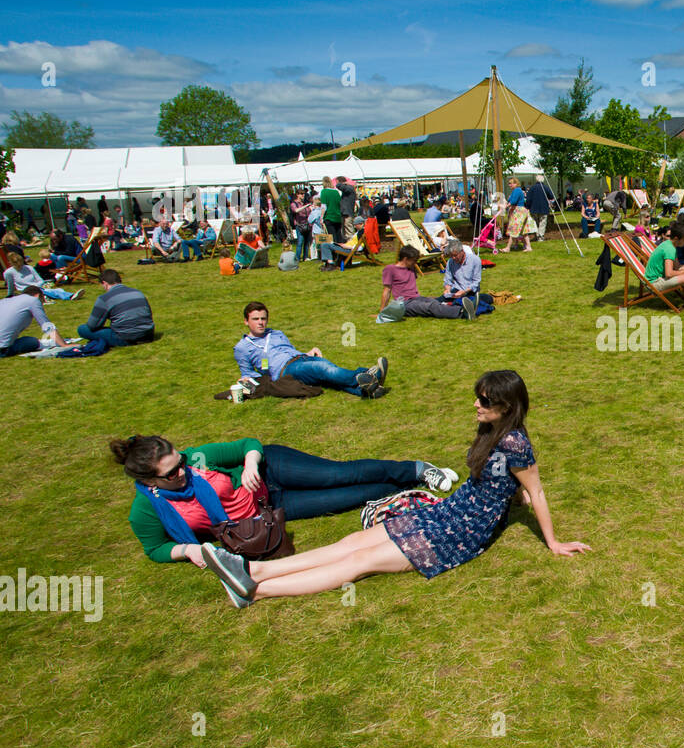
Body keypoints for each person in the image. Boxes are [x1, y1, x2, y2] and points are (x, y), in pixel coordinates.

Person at [195, 370, 590, 607]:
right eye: (477, 396)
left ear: (507, 406)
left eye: (484, 400)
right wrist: (513, 490)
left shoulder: (516, 442)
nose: (475, 403)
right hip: (450, 510)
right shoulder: (491, 428)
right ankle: (256, 569)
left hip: (464, 531)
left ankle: (254, 592)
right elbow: (513, 482)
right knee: (354, 540)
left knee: (361, 561)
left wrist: (553, 543)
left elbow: (535, 490)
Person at [112, 434, 458, 567]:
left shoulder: (198, 458)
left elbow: (248, 443)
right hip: (268, 514)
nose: (183, 472)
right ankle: (403, 493)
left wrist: (249, 463)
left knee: (338, 475)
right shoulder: (145, 510)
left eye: (181, 461)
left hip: (271, 471)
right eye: (172, 473)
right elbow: (154, 548)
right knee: (349, 498)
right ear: (149, 481)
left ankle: (416, 469)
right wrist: (187, 549)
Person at [234, 301, 391, 399]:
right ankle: (369, 375)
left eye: (263, 318)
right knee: (323, 368)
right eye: (255, 319)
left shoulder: (276, 333)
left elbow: (290, 350)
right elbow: (247, 373)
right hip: (285, 369)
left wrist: (309, 352)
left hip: (300, 358)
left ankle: (367, 391)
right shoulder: (243, 347)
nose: (261, 323)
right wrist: (246, 380)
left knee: (330, 375)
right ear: (246, 321)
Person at [379, 245, 464, 320]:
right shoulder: (390, 269)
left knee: (436, 301)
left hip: (416, 298)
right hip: (404, 303)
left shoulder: (411, 268)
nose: (416, 263)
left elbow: (411, 290)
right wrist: (382, 312)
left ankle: (465, 306)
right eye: (414, 260)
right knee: (430, 307)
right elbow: (387, 291)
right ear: (405, 259)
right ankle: (462, 313)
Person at [78, 269, 154, 347]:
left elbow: (92, 325)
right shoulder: (138, 292)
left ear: (105, 283)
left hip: (126, 337)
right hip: (148, 334)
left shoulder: (104, 299)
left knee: (82, 329)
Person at [0, 287, 67, 356]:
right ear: (38, 295)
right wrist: (63, 345)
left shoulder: (4, 301)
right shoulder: (33, 301)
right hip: (3, 349)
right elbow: (46, 325)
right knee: (32, 341)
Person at [4, 250, 82, 301]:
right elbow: (10, 287)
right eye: (17, 264)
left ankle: (70, 295)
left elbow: (40, 280)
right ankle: (70, 296)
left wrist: (36, 285)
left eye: (21, 263)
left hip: (37, 287)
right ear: (10, 263)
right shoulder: (9, 273)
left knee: (53, 291)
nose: (20, 266)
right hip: (25, 291)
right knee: (50, 292)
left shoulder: (29, 268)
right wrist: (10, 296)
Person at [439, 239, 482, 320]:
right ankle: (464, 310)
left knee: (483, 301)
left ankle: (464, 308)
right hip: (456, 291)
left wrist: (464, 291)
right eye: (451, 256)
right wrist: (447, 289)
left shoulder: (475, 260)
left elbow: (476, 282)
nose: (453, 258)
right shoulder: (450, 262)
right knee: (438, 302)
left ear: (462, 251)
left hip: (470, 292)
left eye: (455, 255)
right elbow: (448, 280)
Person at [502, 177, 534, 252]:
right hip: (519, 211)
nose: (509, 185)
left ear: (515, 183)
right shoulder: (515, 191)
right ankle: (528, 246)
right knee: (523, 230)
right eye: (509, 183)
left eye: (511, 183)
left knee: (513, 229)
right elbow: (510, 200)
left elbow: (513, 201)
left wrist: (506, 206)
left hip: (519, 211)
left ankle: (508, 248)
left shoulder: (517, 190)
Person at [525, 175, 554, 240]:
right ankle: (540, 236)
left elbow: (528, 199)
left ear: (536, 180)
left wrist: (527, 207)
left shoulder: (532, 188)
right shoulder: (546, 188)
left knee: (535, 222)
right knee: (542, 222)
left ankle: (537, 235)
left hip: (534, 208)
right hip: (544, 208)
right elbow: (551, 196)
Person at [320, 176, 343, 244]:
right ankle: (341, 252)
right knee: (339, 237)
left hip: (329, 217)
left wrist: (321, 217)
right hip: (338, 217)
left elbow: (324, 206)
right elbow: (340, 204)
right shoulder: (336, 192)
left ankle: (334, 253)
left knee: (332, 238)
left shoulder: (324, 192)